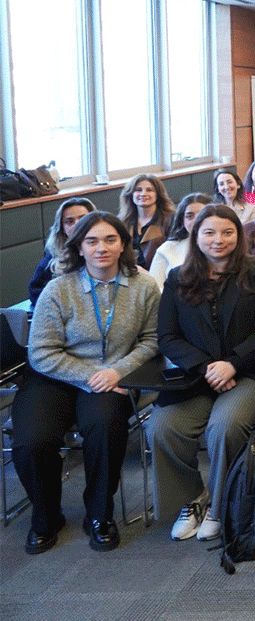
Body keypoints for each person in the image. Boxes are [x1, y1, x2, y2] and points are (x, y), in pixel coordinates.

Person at [18, 212, 160, 554]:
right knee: (32, 441)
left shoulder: (143, 285)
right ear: (78, 247)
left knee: (106, 429)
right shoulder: (59, 288)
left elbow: (152, 340)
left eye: (110, 240)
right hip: (55, 376)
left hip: (113, 376)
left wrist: (117, 370)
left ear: (123, 245)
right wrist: (90, 377)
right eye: (92, 241)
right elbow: (41, 353)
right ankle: (46, 513)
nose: (101, 248)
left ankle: (100, 514)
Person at [149, 205, 255, 542]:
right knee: (162, 428)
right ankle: (192, 500)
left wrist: (233, 363)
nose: (218, 240)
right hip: (198, 377)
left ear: (239, 236)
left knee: (224, 426)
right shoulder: (179, 277)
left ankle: (221, 505)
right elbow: (167, 336)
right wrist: (205, 366)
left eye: (227, 232)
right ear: (195, 237)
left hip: (249, 375)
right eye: (208, 232)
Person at [28, 197, 95, 305]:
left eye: (83, 219)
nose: (77, 224)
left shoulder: (106, 250)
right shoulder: (55, 256)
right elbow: (35, 291)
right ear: (62, 228)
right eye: (69, 221)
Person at [150, 193, 212, 286]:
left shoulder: (223, 245)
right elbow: (155, 289)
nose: (195, 220)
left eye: (202, 215)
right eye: (189, 216)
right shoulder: (167, 249)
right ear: (182, 221)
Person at [119, 173, 174, 270]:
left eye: (150, 190)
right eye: (138, 190)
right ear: (131, 194)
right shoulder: (123, 221)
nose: (143, 194)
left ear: (158, 195)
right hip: (129, 273)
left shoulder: (170, 220)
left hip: (160, 274)